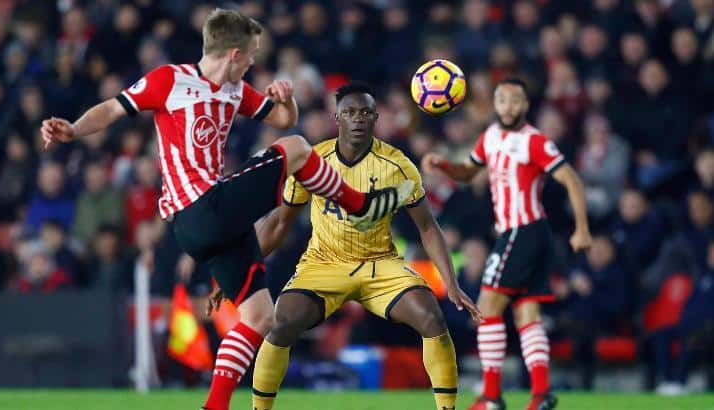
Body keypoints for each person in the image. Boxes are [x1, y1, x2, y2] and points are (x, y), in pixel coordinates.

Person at [40, 9, 411, 410]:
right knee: (298, 148)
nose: (253, 61)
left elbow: (282, 119)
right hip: (202, 207)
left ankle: (214, 406)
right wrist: (74, 129)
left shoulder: (237, 90)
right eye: (251, 54)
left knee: (259, 316)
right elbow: (113, 109)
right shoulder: (169, 80)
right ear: (234, 54)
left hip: (209, 224)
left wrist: (285, 100)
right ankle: (361, 206)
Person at [246, 83, 482, 410]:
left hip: (380, 264)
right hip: (324, 263)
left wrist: (451, 283)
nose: (358, 118)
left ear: (375, 118)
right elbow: (278, 223)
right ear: (337, 118)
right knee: (282, 323)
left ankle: (447, 408)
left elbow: (428, 227)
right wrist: (241, 269)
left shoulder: (397, 165)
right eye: (350, 112)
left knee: (432, 319)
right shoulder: (313, 160)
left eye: (365, 112)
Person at [423, 78, 592, 410]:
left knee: (487, 308)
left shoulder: (533, 141)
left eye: (516, 100)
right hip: (524, 234)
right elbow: (468, 173)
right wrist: (444, 165)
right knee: (527, 313)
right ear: (495, 104)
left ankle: (491, 396)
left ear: (525, 105)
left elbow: (570, 178)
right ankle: (541, 394)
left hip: (522, 230)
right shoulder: (489, 137)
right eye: (503, 100)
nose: (509, 106)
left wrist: (582, 229)